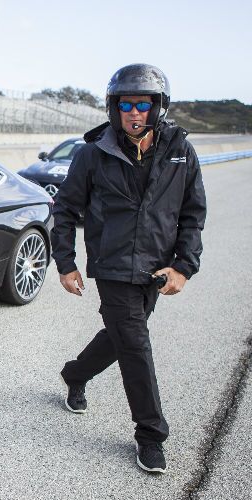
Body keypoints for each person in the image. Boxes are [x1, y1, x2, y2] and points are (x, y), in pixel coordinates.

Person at [51, 64, 207, 474]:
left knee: (119, 336)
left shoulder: (181, 151)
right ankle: (151, 435)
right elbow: (64, 210)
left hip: (156, 267)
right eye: (125, 105)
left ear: (157, 107)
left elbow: (192, 215)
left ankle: (75, 374)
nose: (133, 112)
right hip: (113, 266)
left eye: (142, 104)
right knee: (135, 344)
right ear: (113, 108)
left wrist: (184, 267)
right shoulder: (92, 154)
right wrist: (65, 263)